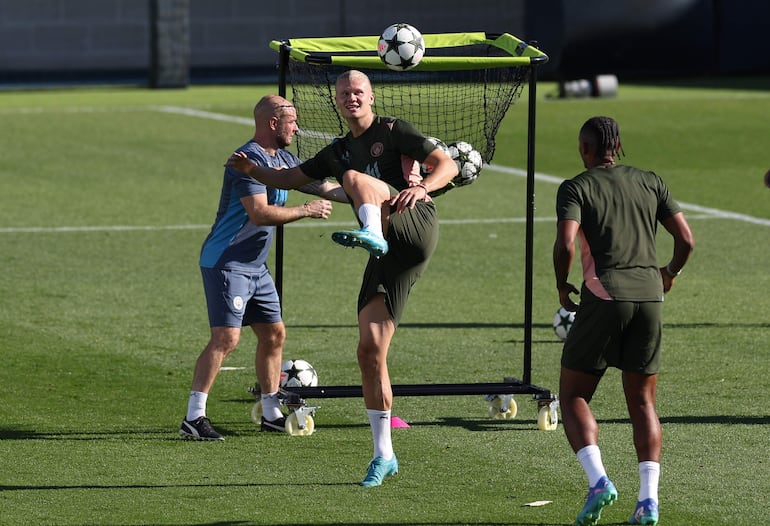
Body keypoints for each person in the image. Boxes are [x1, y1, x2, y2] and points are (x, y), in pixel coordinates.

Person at [227, 70, 458, 485]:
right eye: (344, 93)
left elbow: (447, 164)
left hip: (414, 223)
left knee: (353, 180)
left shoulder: (394, 130)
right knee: (368, 352)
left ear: (371, 97)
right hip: (387, 252)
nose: (351, 97)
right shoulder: (337, 150)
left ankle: (371, 232)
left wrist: (423, 187)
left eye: (358, 92)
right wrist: (254, 170)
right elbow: (290, 178)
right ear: (336, 100)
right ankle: (383, 455)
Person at [179, 95, 347, 441]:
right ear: (274, 123)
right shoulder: (247, 161)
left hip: (256, 267)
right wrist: (306, 211)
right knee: (226, 338)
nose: (297, 128)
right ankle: (194, 417)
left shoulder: (283, 159)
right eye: (293, 122)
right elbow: (259, 213)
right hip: (227, 261)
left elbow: (324, 186)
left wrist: (370, 197)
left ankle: (271, 412)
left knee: (274, 335)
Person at [552, 116, 694, 525]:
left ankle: (598, 481)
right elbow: (686, 240)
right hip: (651, 295)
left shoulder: (576, 187)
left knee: (575, 393)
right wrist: (669, 274)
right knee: (643, 401)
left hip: (604, 293)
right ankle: (648, 502)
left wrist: (562, 285)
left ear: (585, 148)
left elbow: (565, 243)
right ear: (618, 146)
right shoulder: (651, 181)